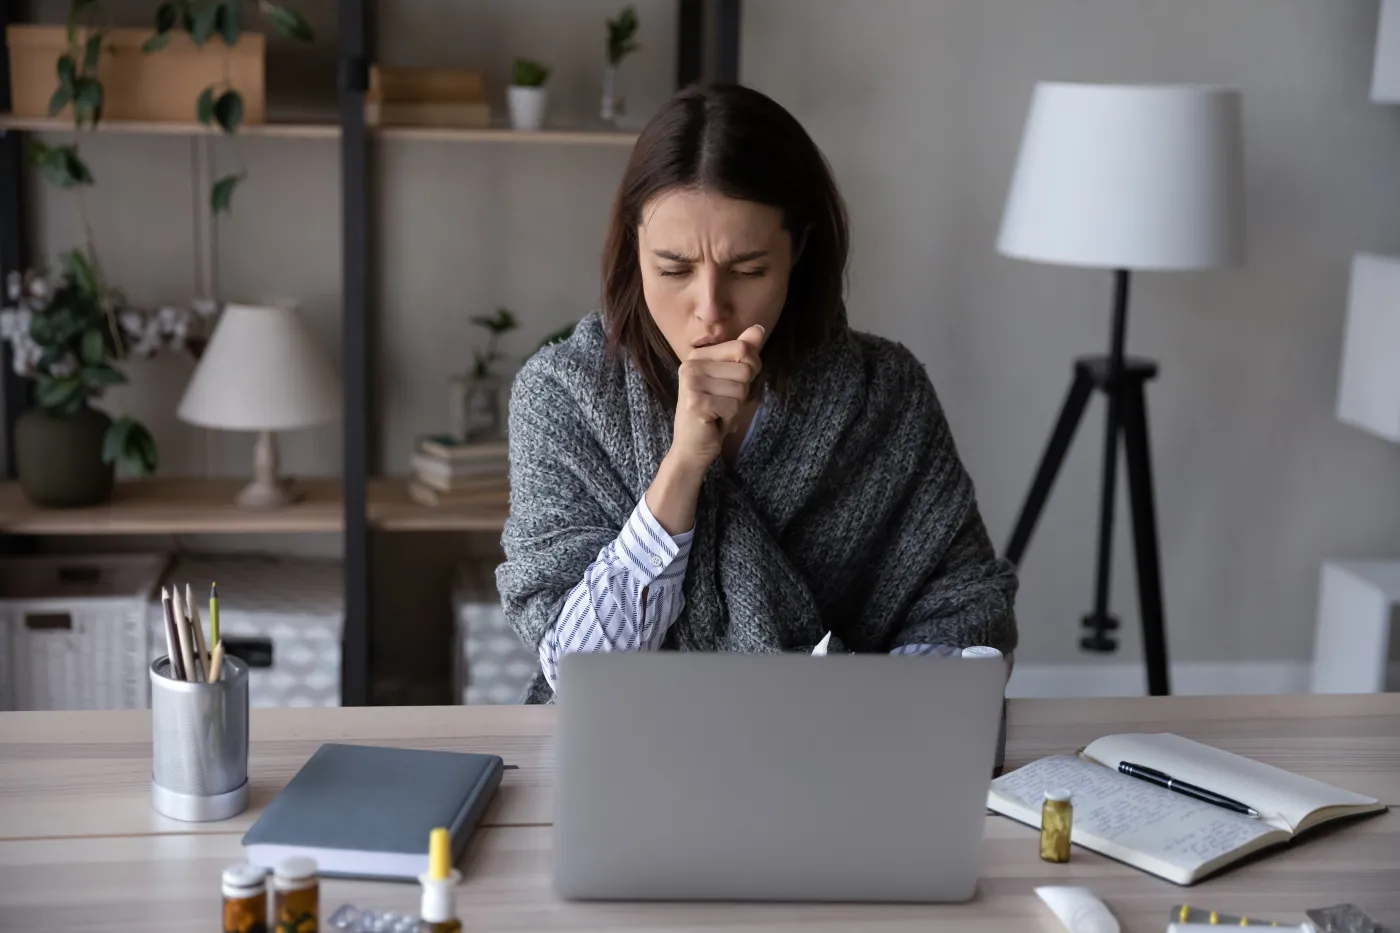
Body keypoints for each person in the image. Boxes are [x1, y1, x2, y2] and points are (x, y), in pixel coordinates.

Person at [496, 83, 1017, 703]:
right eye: (674, 270)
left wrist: (897, 709)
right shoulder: (562, 396)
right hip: (635, 755)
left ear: (799, 250)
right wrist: (683, 467)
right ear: (632, 247)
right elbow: (576, 673)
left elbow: (964, 605)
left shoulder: (887, 393)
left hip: (844, 749)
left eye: (748, 270)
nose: (710, 311)